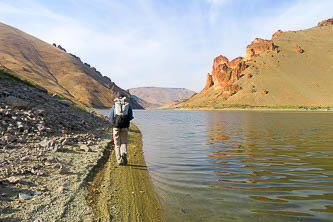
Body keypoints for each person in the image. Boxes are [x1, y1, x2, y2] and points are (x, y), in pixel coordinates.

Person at [110, 95, 133, 165]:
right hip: (125, 126)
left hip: (116, 126)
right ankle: (124, 153)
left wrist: (113, 123)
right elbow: (130, 117)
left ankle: (119, 160)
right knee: (124, 142)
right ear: (124, 99)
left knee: (117, 144)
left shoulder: (114, 106)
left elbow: (111, 117)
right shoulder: (128, 106)